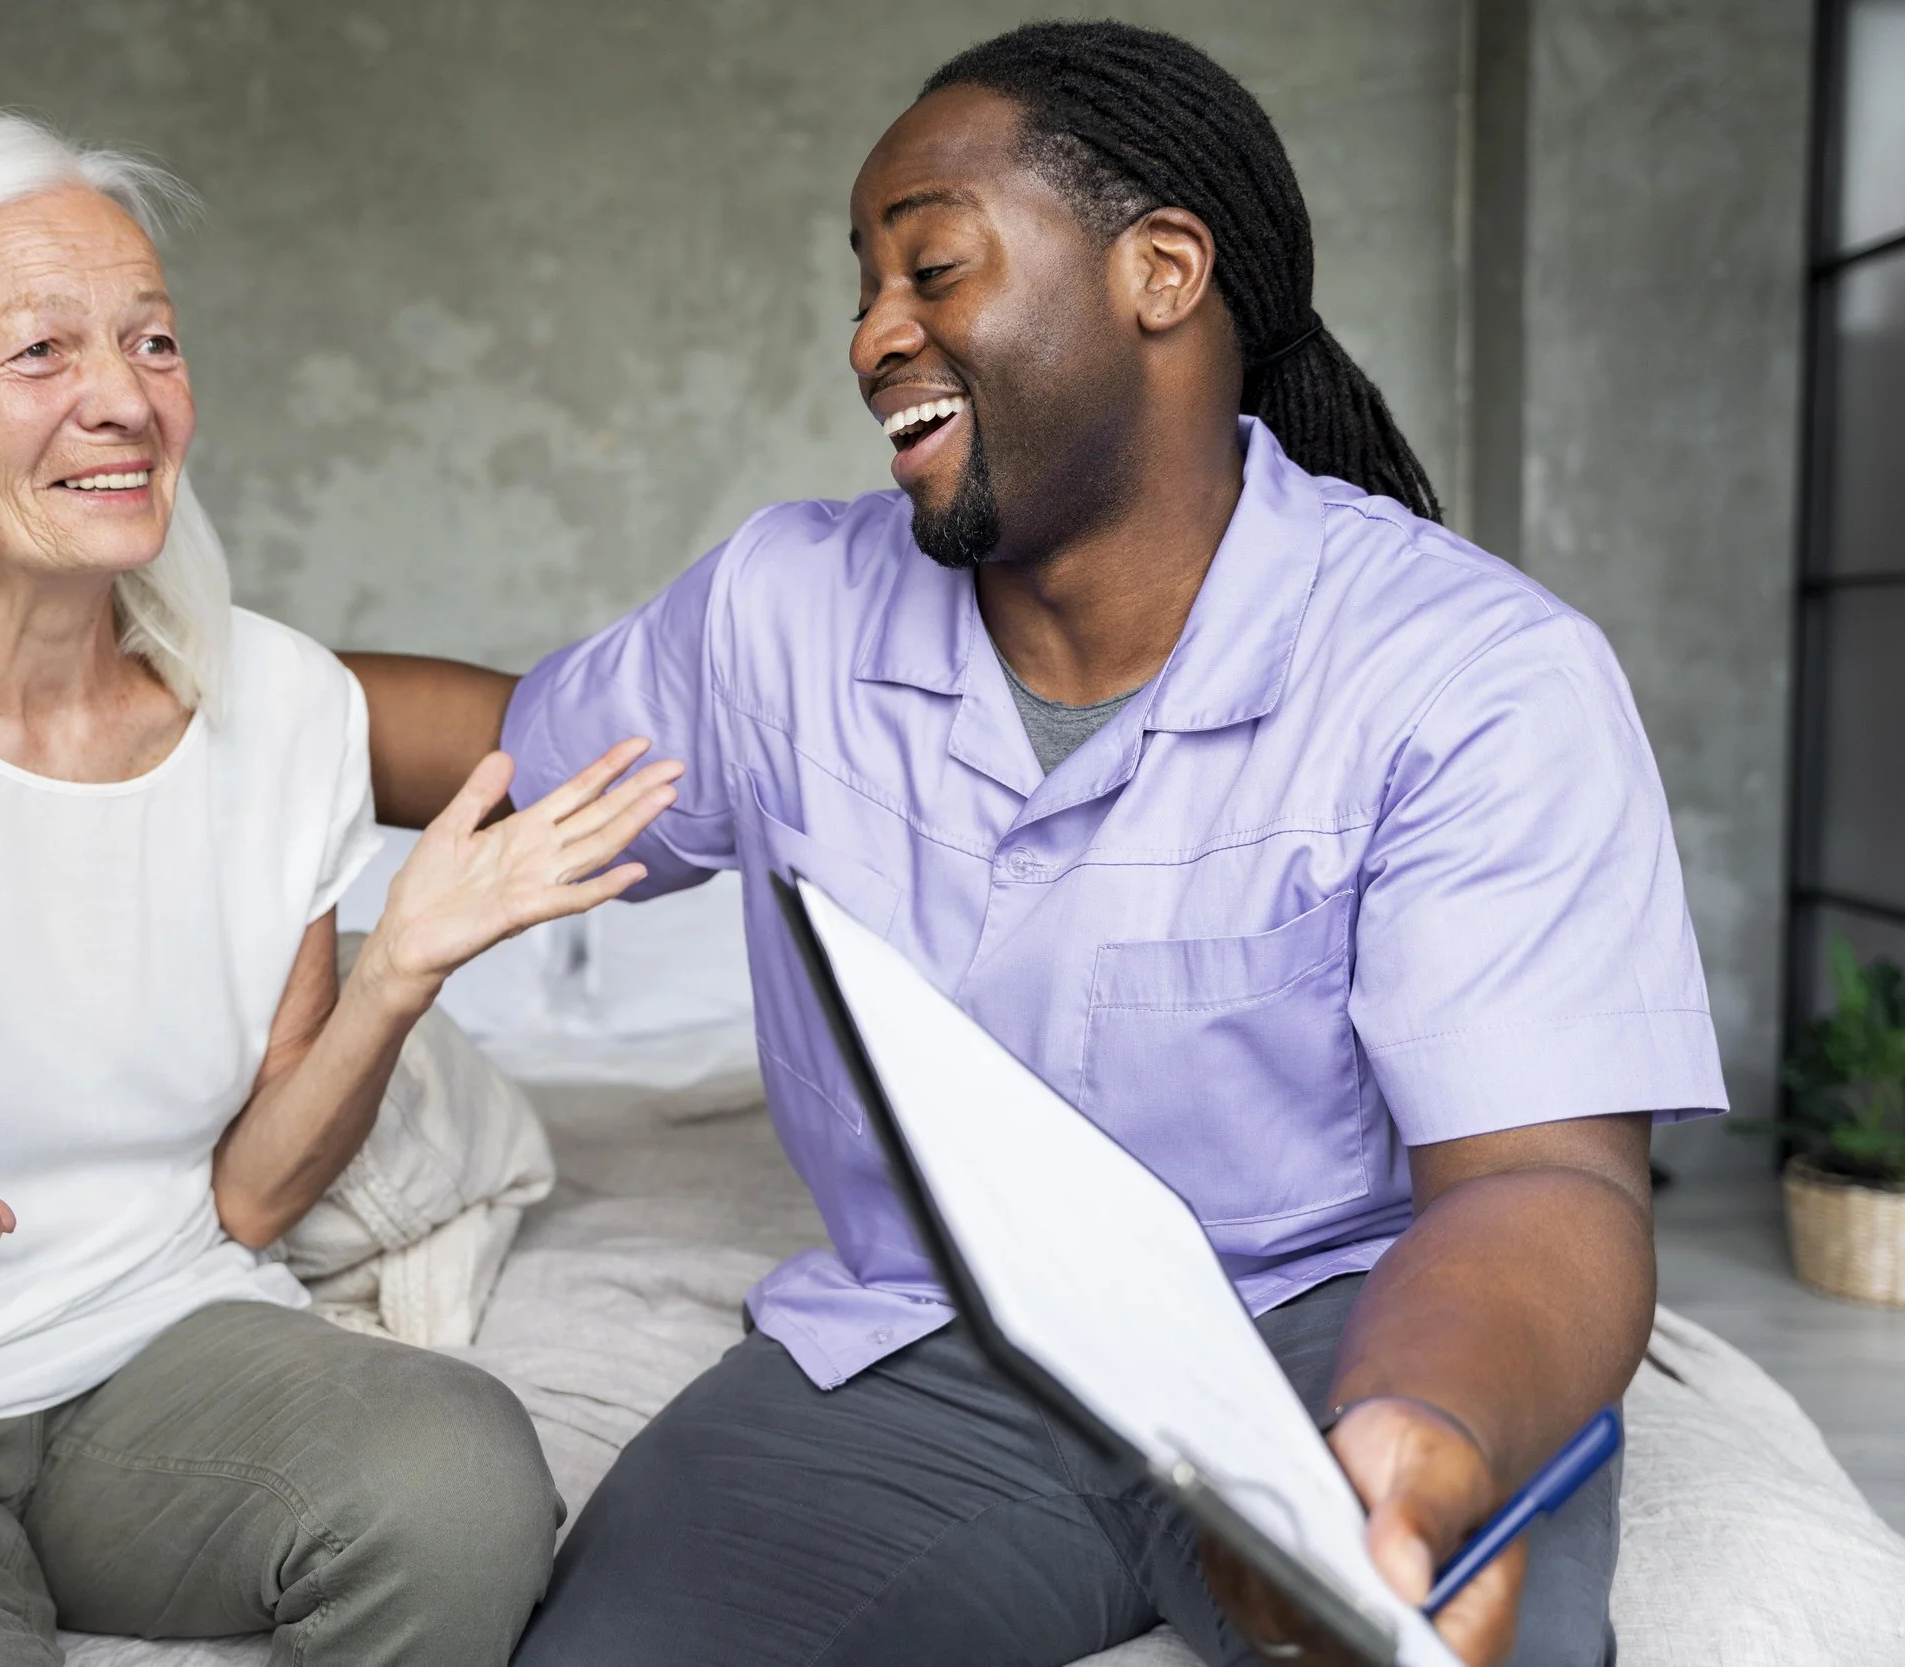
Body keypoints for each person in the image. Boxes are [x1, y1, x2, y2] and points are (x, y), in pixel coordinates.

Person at [346, 22, 1724, 1667]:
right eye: (859, 284)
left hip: (1348, 1343)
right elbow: (510, 757)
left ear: (1160, 270)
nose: (872, 334)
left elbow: (1545, 1182)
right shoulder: (785, 610)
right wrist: (140, 670)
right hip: (930, 1352)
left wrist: (1420, 1437)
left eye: (931, 263)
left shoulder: (1475, 675)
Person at [0, 113, 680, 1667]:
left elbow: (252, 1200)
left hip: (147, 1366)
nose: (122, 399)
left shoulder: (278, 707)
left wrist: (399, 970)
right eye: (40, 352)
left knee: (458, 1478)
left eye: (153, 340)